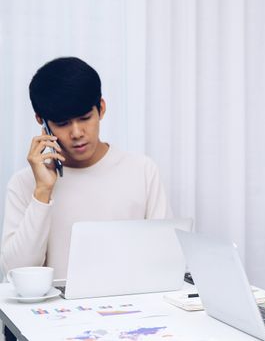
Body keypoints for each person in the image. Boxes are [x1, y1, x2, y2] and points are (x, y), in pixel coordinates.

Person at [1, 56, 172, 280]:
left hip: (130, 308)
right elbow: (15, 274)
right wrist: (42, 192)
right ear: (42, 122)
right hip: (55, 313)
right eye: (62, 124)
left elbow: (167, 261)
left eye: (85, 118)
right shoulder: (26, 183)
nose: (77, 133)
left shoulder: (142, 170)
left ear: (101, 108)